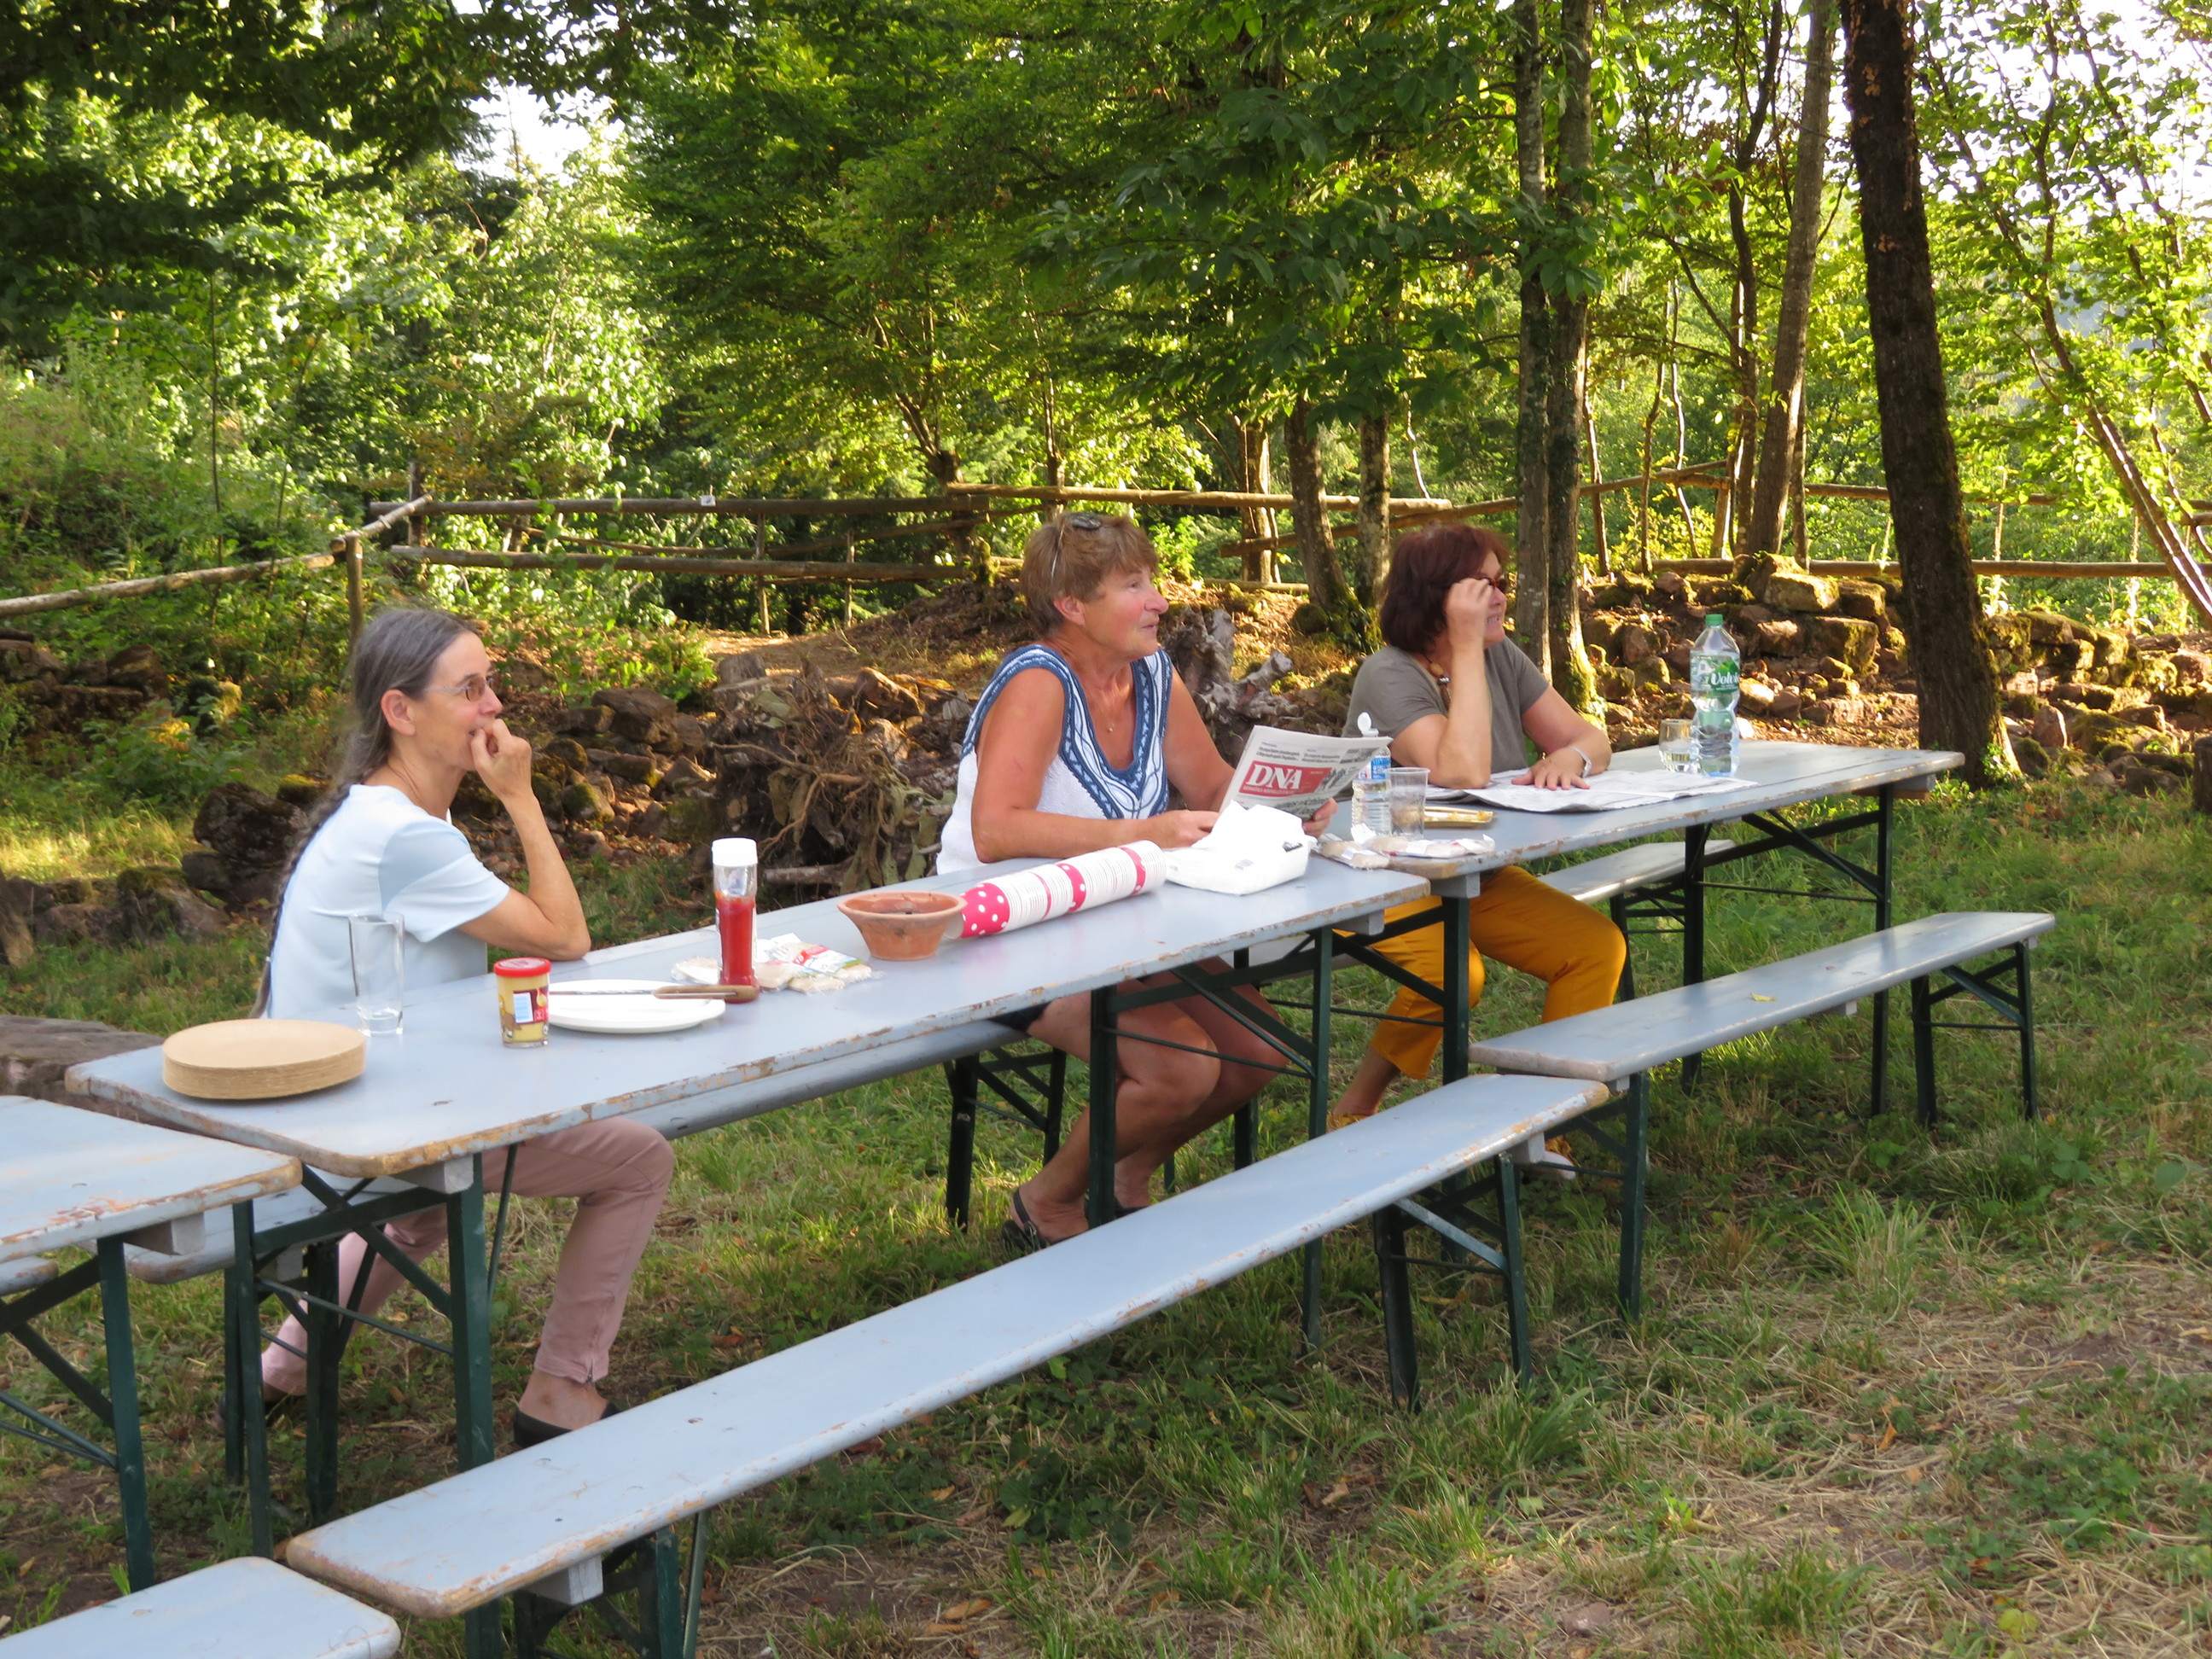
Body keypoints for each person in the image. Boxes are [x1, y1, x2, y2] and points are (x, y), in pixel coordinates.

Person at [258, 606, 673, 1447]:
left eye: (492, 684)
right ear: (400, 712)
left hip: (336, 1103)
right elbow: (566, 937)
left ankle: (281, 1371)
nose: (494, 707)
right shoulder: (404, 838)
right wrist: (521, 798)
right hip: (350, 1129)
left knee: (423, 1210)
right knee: (638, 1160)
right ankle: (561, 1392)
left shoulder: (394, 818)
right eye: (470, 689)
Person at [940, 512, 1329, 1246]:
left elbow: (1211, 785)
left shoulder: (1150, 673)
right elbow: (995, 832)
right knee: (1182, 1068)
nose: (1160, 600)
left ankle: (1121, 1178)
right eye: (1134, 586)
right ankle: (1044, 1203)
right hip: (1005, 932)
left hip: (1117, 920)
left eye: (1152, 581)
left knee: (1258, 1050)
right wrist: (1141, 834)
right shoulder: (1037, 682)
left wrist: (1293, 802)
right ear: (1072, 606)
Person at [1327, 522, 1627, 1130]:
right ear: (1436, 598)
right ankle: (1355, 1109)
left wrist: (1570, 757)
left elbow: (1591, 738)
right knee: (1453, 975)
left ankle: (1544, 1119)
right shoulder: (1389, 673)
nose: (1500, 597)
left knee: (1594, 948)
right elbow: (1459, 771)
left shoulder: (1501, 656)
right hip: (1381, 875)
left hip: (1470, 872)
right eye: (1481, 586)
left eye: (1501, 582)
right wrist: (1465, 649)